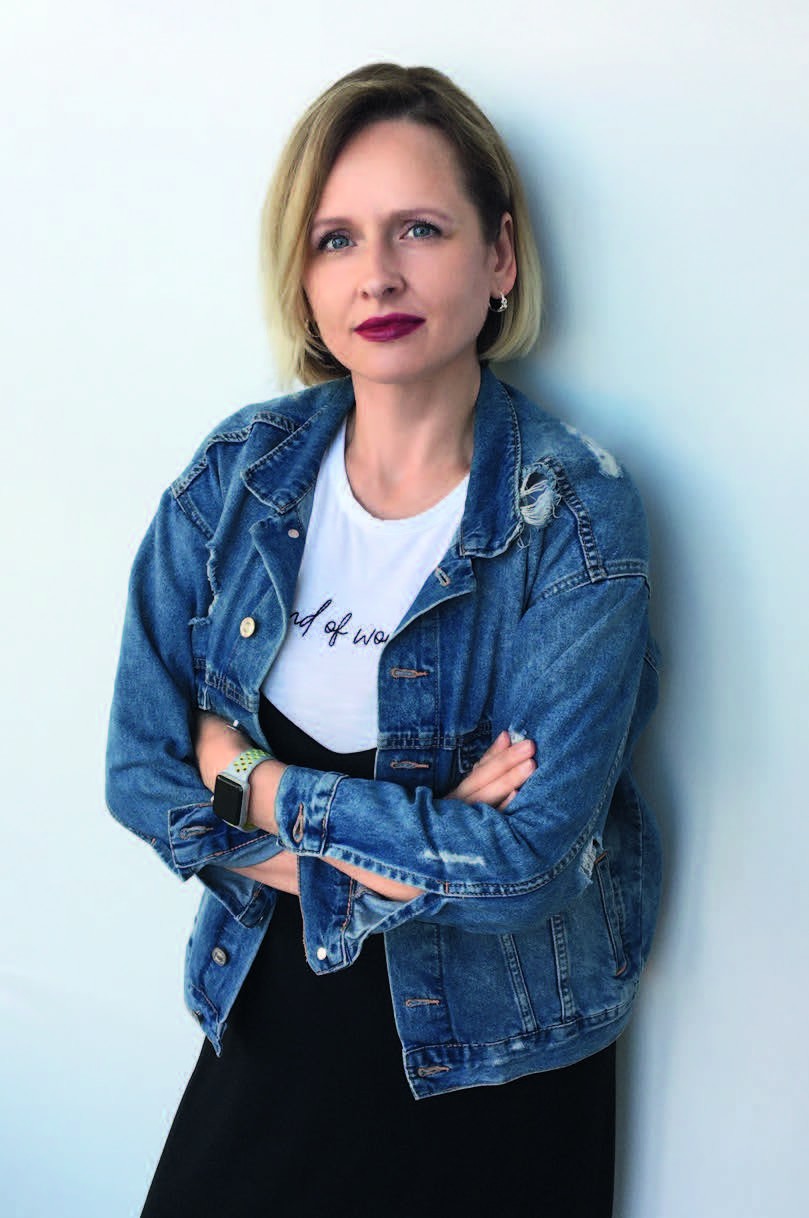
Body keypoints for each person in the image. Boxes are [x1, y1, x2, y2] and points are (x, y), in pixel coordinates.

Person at [106, 62, 661, 1218]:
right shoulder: (239, 476)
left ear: (498, 257)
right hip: (271, 1029)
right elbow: (140, 773)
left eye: (419, 228)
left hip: (496, 1068)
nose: (378, 275)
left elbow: (526, 868)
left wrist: (251, 782)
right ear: (303, 277)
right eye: (336, 240)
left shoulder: (573, 517)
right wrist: (419, 839)